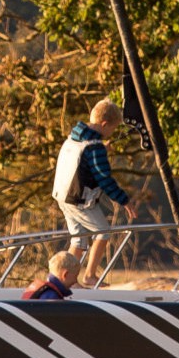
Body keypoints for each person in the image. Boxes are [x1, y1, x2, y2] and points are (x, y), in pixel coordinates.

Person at [52, 100, 134, 283]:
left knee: (79, 241)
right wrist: (124, 201)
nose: (111, 133)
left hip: (63, 197)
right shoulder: (95, 148)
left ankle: (63, 280)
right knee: (103, 231)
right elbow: (104, 179)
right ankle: (90, 276)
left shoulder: (74, 136)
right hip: (79, 200)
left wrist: (101, 149)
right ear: (105, 125)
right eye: (112, 129)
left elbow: (83, 157)